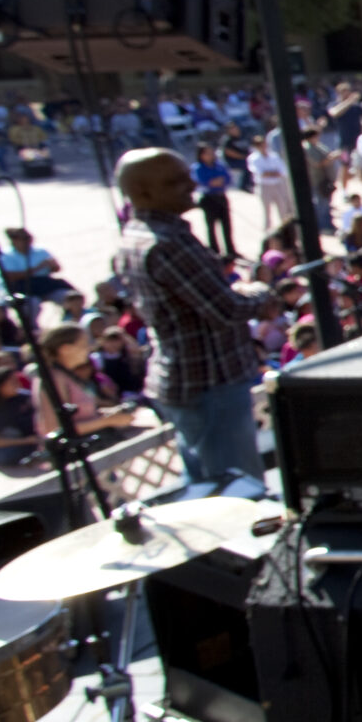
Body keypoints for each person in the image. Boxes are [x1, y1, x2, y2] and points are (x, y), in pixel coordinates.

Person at [110, 148, 275, 484]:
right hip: (210, 383)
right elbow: (227, 309)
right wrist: (261, 293)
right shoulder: (168, 243)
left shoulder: (135, 235)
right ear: (142, 191)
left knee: (206, 484)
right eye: (175, 181)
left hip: (185, 379)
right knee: (237, 488)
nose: (191, 185)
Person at [0, 355, 46, 470]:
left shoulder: (22, 397)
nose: (18, 385)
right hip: (2, 446)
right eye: (13, 382)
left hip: (27, 437)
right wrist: (26, 441)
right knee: (9, 455)